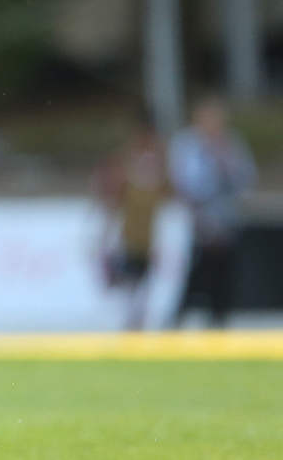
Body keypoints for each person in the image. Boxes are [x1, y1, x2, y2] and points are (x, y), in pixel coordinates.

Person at [169, 95, 256, 328]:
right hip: (196, 220)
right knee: (194, 271)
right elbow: (184, 182)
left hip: (225, 219)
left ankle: (219, 318)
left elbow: (245, 179)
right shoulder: (186, 144)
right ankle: (178, 317)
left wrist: (223, 158)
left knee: (224, 271)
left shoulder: (231, 142)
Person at [94, 107, 171, 330]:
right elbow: (112, 196)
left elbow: (167, 194)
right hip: (129, 237)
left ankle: (136, 327)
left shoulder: (158, 161)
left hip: (148, 238)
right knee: (128, 291)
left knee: (142, 292)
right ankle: (128, 327)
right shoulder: (127, 161)